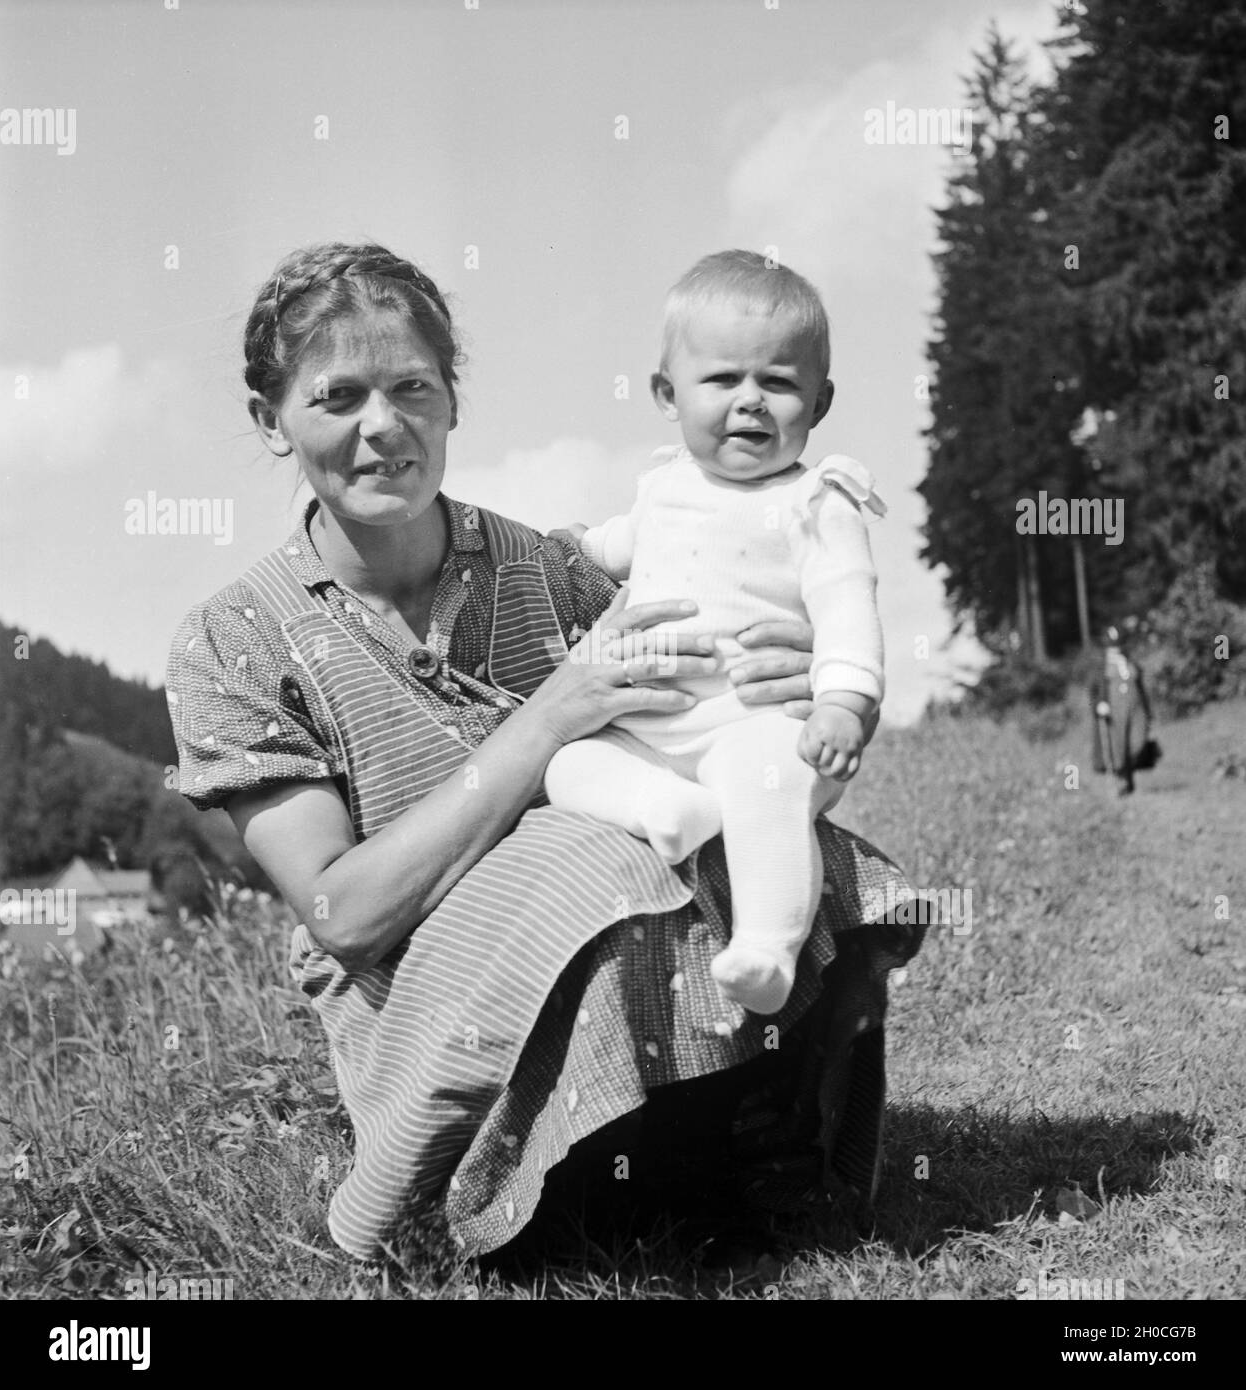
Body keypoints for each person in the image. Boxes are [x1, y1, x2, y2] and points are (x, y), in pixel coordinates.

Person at [165, 241, 923, 1263]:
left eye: (411, 388)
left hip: (616, 951)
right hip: (425, 996)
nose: (382, 426)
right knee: (599, 854)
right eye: (337, 396)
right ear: (273, 422)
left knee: (773, 842)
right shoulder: (235, 640)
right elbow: (345, 915)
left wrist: (803, 681)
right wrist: (552, 714)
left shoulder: (550, 570)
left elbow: (726, 704)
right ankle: (522, 1177)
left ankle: (741, 1135)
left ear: (451, 402)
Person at [545, 251, 884, 1017]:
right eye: (723, 380)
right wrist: (563, 549)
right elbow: (610, 546)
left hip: (755, 724)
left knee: (767, 784)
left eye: (778, 383)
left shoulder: (818, 503)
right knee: (568, 764)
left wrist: (843, 704)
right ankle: (665, 810)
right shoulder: (661, 483)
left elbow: (847, 613)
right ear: (667, 393)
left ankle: (767, 945)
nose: (750, 403)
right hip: (651, 733)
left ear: (820, 401)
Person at [1089, 623, 1153, 795]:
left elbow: (1140, 686)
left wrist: (1148, 711)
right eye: (1111, 647)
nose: (1114, 650)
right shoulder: (1101, 669)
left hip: (1136, 709)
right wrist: (1099, 704)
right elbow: (1095, 692)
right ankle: (1123, 780)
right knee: (1118, 747)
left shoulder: (1130, 663)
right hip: (1115, 711)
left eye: (1117, 646)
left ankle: (1128, 772)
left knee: (1137, 743)